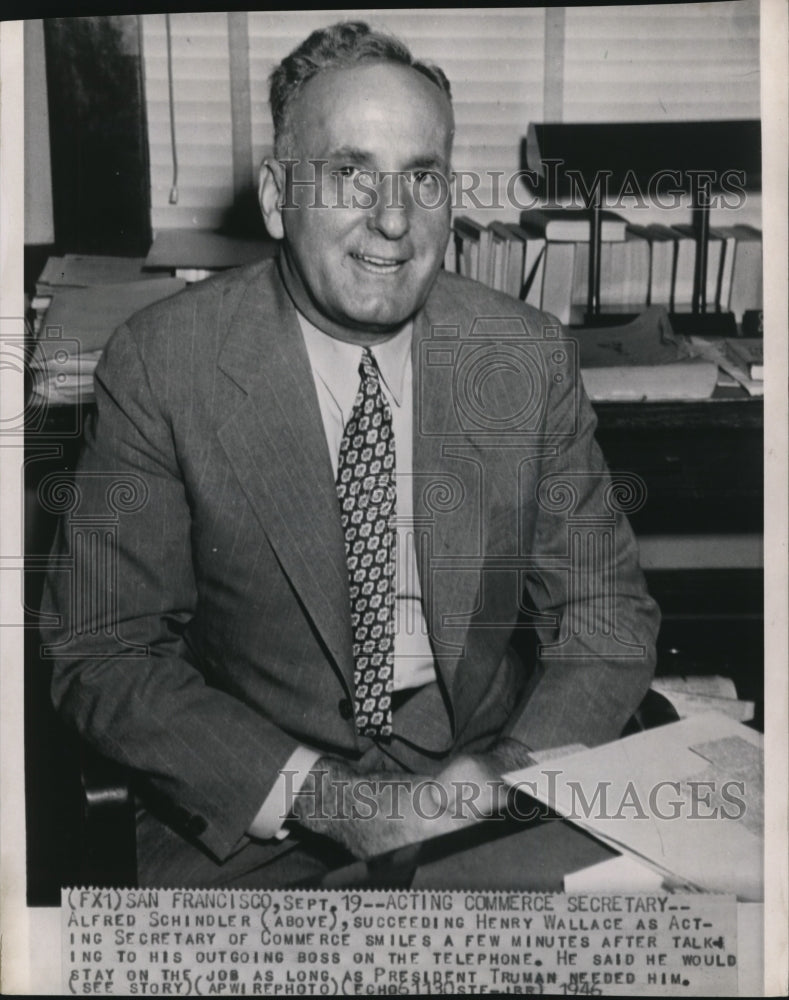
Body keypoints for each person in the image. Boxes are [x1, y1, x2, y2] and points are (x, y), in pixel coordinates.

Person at [42, 20, 659, 888]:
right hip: (257, 818)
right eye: (349, 175)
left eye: (423, 178)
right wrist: (330, 800)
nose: (394, 220)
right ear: (274, 195)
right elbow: (103, 651)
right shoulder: (162, 363)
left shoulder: (522, 355)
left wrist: (506, 771)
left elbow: (607, 616)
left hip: (483, 791)